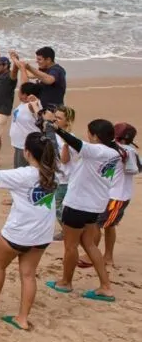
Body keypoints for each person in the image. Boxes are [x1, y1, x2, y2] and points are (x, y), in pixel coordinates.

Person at [0, 132, 59, 331]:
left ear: (27, 152)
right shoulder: (54, 172)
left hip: (18, 232)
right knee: (28, 275)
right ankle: (22, 318)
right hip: (41, 234)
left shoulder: (25, 174)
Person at [45, 118, 122, 303]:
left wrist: (56, 129)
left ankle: (65, 282)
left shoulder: (96, 150)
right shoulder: (114, 152)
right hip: (95, 205)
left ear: (95, 136)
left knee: (70, 245)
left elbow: (76, 143)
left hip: (78, 204)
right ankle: (106, 286)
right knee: (90, 245)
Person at [78, 123, 140, 268]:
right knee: (109, 226)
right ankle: (108, 256)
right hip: (121, 195)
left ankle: (91, 254)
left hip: (114, 196)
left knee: (96, 224)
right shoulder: (131, 151)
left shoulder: (117, 150)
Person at [52, 105, 77, 241]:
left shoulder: (70, 138)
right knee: (60, 207)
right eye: (55, 117)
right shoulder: (54, 135)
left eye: (59, 118)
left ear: (67, 121)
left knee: (58, 207)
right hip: (57, 177)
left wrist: (66, 146)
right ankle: (68, 230)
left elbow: (65, 160)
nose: (55, 120)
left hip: (65, 179)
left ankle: (67, 231)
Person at [9, 83, 43, 169]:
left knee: (21, 170)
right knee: (17, 169)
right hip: (19, 144)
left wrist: (34, 102)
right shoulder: (23, 104)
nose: (18, 93)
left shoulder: (32, 105)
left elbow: (39, 115)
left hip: (26, 143)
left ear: (24, 94)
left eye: (20, 91)